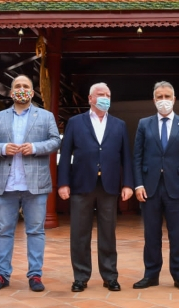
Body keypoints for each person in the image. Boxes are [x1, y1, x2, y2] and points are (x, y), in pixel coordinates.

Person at [0, 75, 61, 292]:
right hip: (6, 183)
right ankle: (1, 274)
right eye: (18, 86)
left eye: (26, 86)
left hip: (35, 184)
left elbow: (56, 141)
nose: (22, 89)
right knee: (4, 231)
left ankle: (35, 275)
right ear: (11, 92)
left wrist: (35, 148)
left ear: (32, 93)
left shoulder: (45, 116)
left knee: (35, 231)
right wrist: (2, 148)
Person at [58, 82, 134, 292]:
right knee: (80, 233)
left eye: (108, 95)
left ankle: (110, 276)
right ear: (90, 98)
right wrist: (63, 183)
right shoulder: (75, 122)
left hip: (109, 186)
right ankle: (80, 277)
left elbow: (126, 157)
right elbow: (65, 155)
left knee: (108, 233)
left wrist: (127, 184)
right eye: (100, 94)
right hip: (81, 184)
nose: (105, 98)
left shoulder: (119, 125)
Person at [132, 81, 179, 291]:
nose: (163, 101)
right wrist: (138, 184)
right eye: (159, 97)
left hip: (177, 187)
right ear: (154, 100)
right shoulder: (144, 124)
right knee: (151, 234)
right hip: (150, 187)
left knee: (177, 234)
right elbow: (137, 156)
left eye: (167, 96)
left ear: (174, 99)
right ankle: (151, 275)